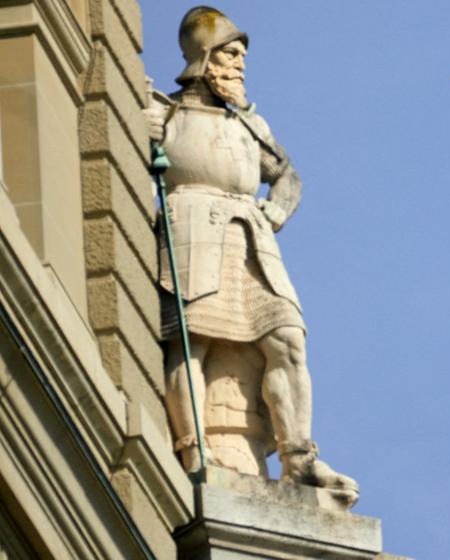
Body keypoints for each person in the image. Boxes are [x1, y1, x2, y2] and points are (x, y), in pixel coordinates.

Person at [147, 6, 356, 506]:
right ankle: (195, 449)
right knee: (192, 342)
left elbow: (286, 174)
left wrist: (274, 213)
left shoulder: (250, 123)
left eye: (242, 56)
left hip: (250, 235)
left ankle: (298, 458)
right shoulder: (168, 112)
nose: (240, 65)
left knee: (286, 339)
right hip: (192, 223)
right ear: (203, 56)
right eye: (231, 54)